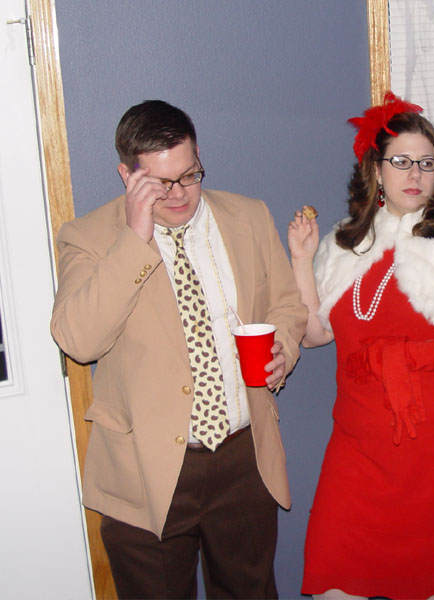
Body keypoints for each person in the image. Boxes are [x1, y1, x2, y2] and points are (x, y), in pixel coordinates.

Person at [50, 100, 306, 598]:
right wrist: (135, 238)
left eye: (189, 175)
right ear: (127, 175)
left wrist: (284, 349)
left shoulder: (249, 216)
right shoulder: (89, 237)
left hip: (243, 457)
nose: (179, 193)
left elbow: (287, 306)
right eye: (159, 183)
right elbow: (77, 340)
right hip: (144, 470)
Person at [288, 92, 434, 599]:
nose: (414, 173)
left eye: (426, 162)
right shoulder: (345, 242)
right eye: (401, 161)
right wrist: (302, 260)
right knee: (336, 581)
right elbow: (315, 334)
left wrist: (406, 355)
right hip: (358, 453)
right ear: (376, 170)